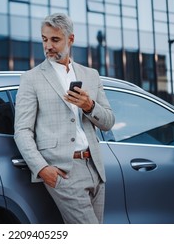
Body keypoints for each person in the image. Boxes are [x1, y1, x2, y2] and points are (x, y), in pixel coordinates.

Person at [14, 13, 115, 224]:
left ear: (70, 39)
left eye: (55, 40)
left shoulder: (91, 75)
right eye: (44, 39)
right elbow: (22, 131)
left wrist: (89, 106)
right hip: (64, 171)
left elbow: (108, 122)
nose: (48, 46)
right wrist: (42, 169)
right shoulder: (31, 79)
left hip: (95, 167)